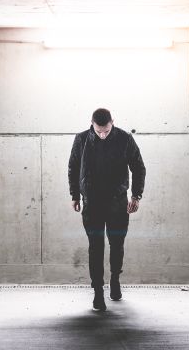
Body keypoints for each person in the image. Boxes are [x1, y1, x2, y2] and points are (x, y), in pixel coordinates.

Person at [68, 108, 146, 311]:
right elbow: (73, 167)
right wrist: (75, 195)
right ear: (92, 124)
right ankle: (97, 292)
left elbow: (138, 167)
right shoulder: (82, 139)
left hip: (117, 203)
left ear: (113, 122)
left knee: (117, 244)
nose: (103, 135)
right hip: (92, 203)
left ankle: (114, 280)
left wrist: (136, 196)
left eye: (106, 130)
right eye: (99, 131)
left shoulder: (124, 139)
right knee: (95, 247)